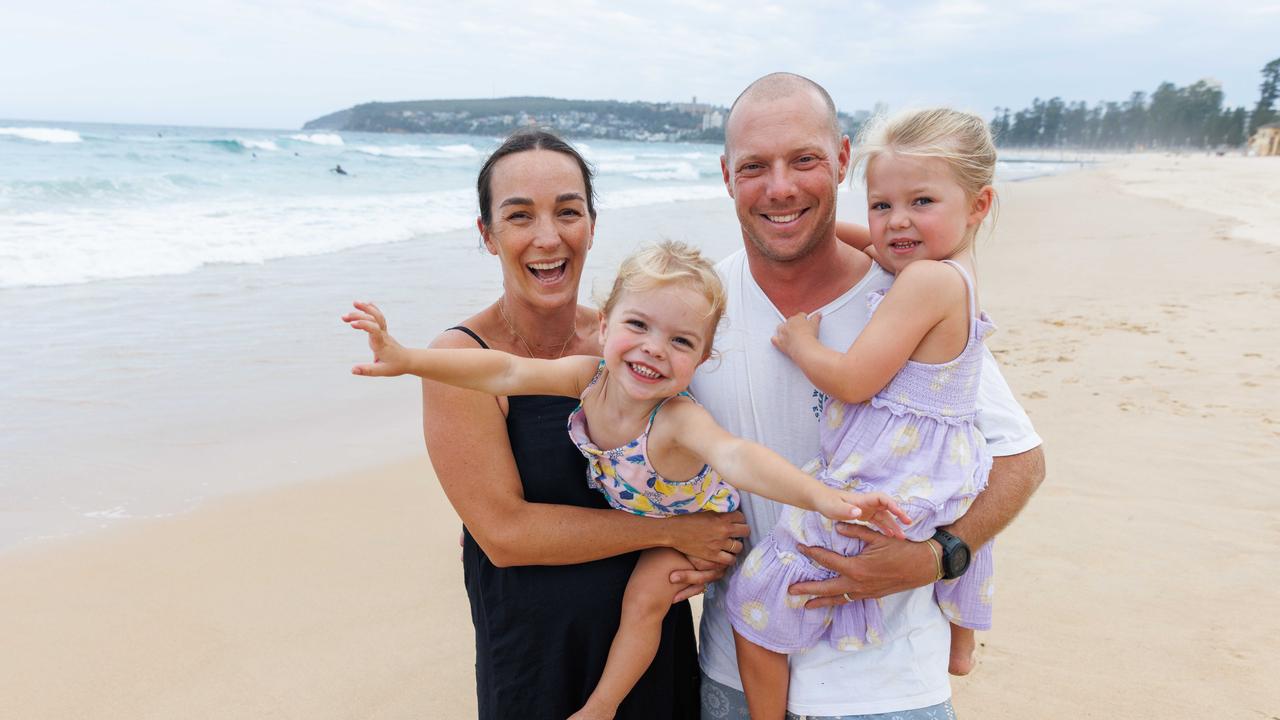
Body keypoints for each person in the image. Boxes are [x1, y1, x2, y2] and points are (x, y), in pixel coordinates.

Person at [345, 241, 913, 720]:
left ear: (703, 357)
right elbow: (506, 369)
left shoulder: (676, 420)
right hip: (649, 518)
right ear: (604, 322)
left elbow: (738, 457)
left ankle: (601, 707)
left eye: (681, 341)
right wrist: (408, 357)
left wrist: (824, 498)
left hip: (693, 524)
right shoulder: (588, 379)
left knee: (644, 602)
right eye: (638, 325)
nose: (653, 349)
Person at [692, 74, 1045, 719]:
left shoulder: (906, 300)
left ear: (843, 161)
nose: (780, 187)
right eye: (754, 166)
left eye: (804, 160)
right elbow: (642, 437)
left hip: (888, 689)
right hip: (734, 676)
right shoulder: (698, 305)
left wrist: (939, 555)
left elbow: (1021, 460)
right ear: (725, 174)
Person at [402, 130, 746, 719]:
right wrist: (673, 533)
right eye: (519, 215)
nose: (547, 236)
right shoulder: (463, 357)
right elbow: (505, 536)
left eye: (568, 211)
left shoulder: (641, 345)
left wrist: (712, 544)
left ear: (592, 224)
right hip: (534, 654)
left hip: (648, 644)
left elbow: (699, 476)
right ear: (487, 234)